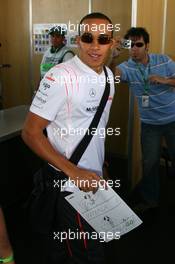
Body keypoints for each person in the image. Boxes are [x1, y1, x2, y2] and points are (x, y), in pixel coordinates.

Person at [22, 12, 115, 264]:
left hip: (91, 180)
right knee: (89, 254)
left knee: (65, 251)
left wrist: (101, 167)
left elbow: (96, 131)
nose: (95, 46)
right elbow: (30, 133)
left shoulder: (108, 77)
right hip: (68, 186)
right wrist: (75, 173)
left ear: (112, 43)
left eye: (103, 39)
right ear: (77, 40)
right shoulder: (60, 76)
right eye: (88, 38)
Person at [111, 27, 175, 211]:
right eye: (130, 45)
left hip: (173, 120)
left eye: (139, 44)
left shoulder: (163, 60)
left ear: (147, 46)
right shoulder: (126, 67)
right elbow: (108, 79)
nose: (134, 49)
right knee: (150, 164)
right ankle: (150, 200)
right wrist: (113, 57)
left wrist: (165, 80)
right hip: (150, 125)